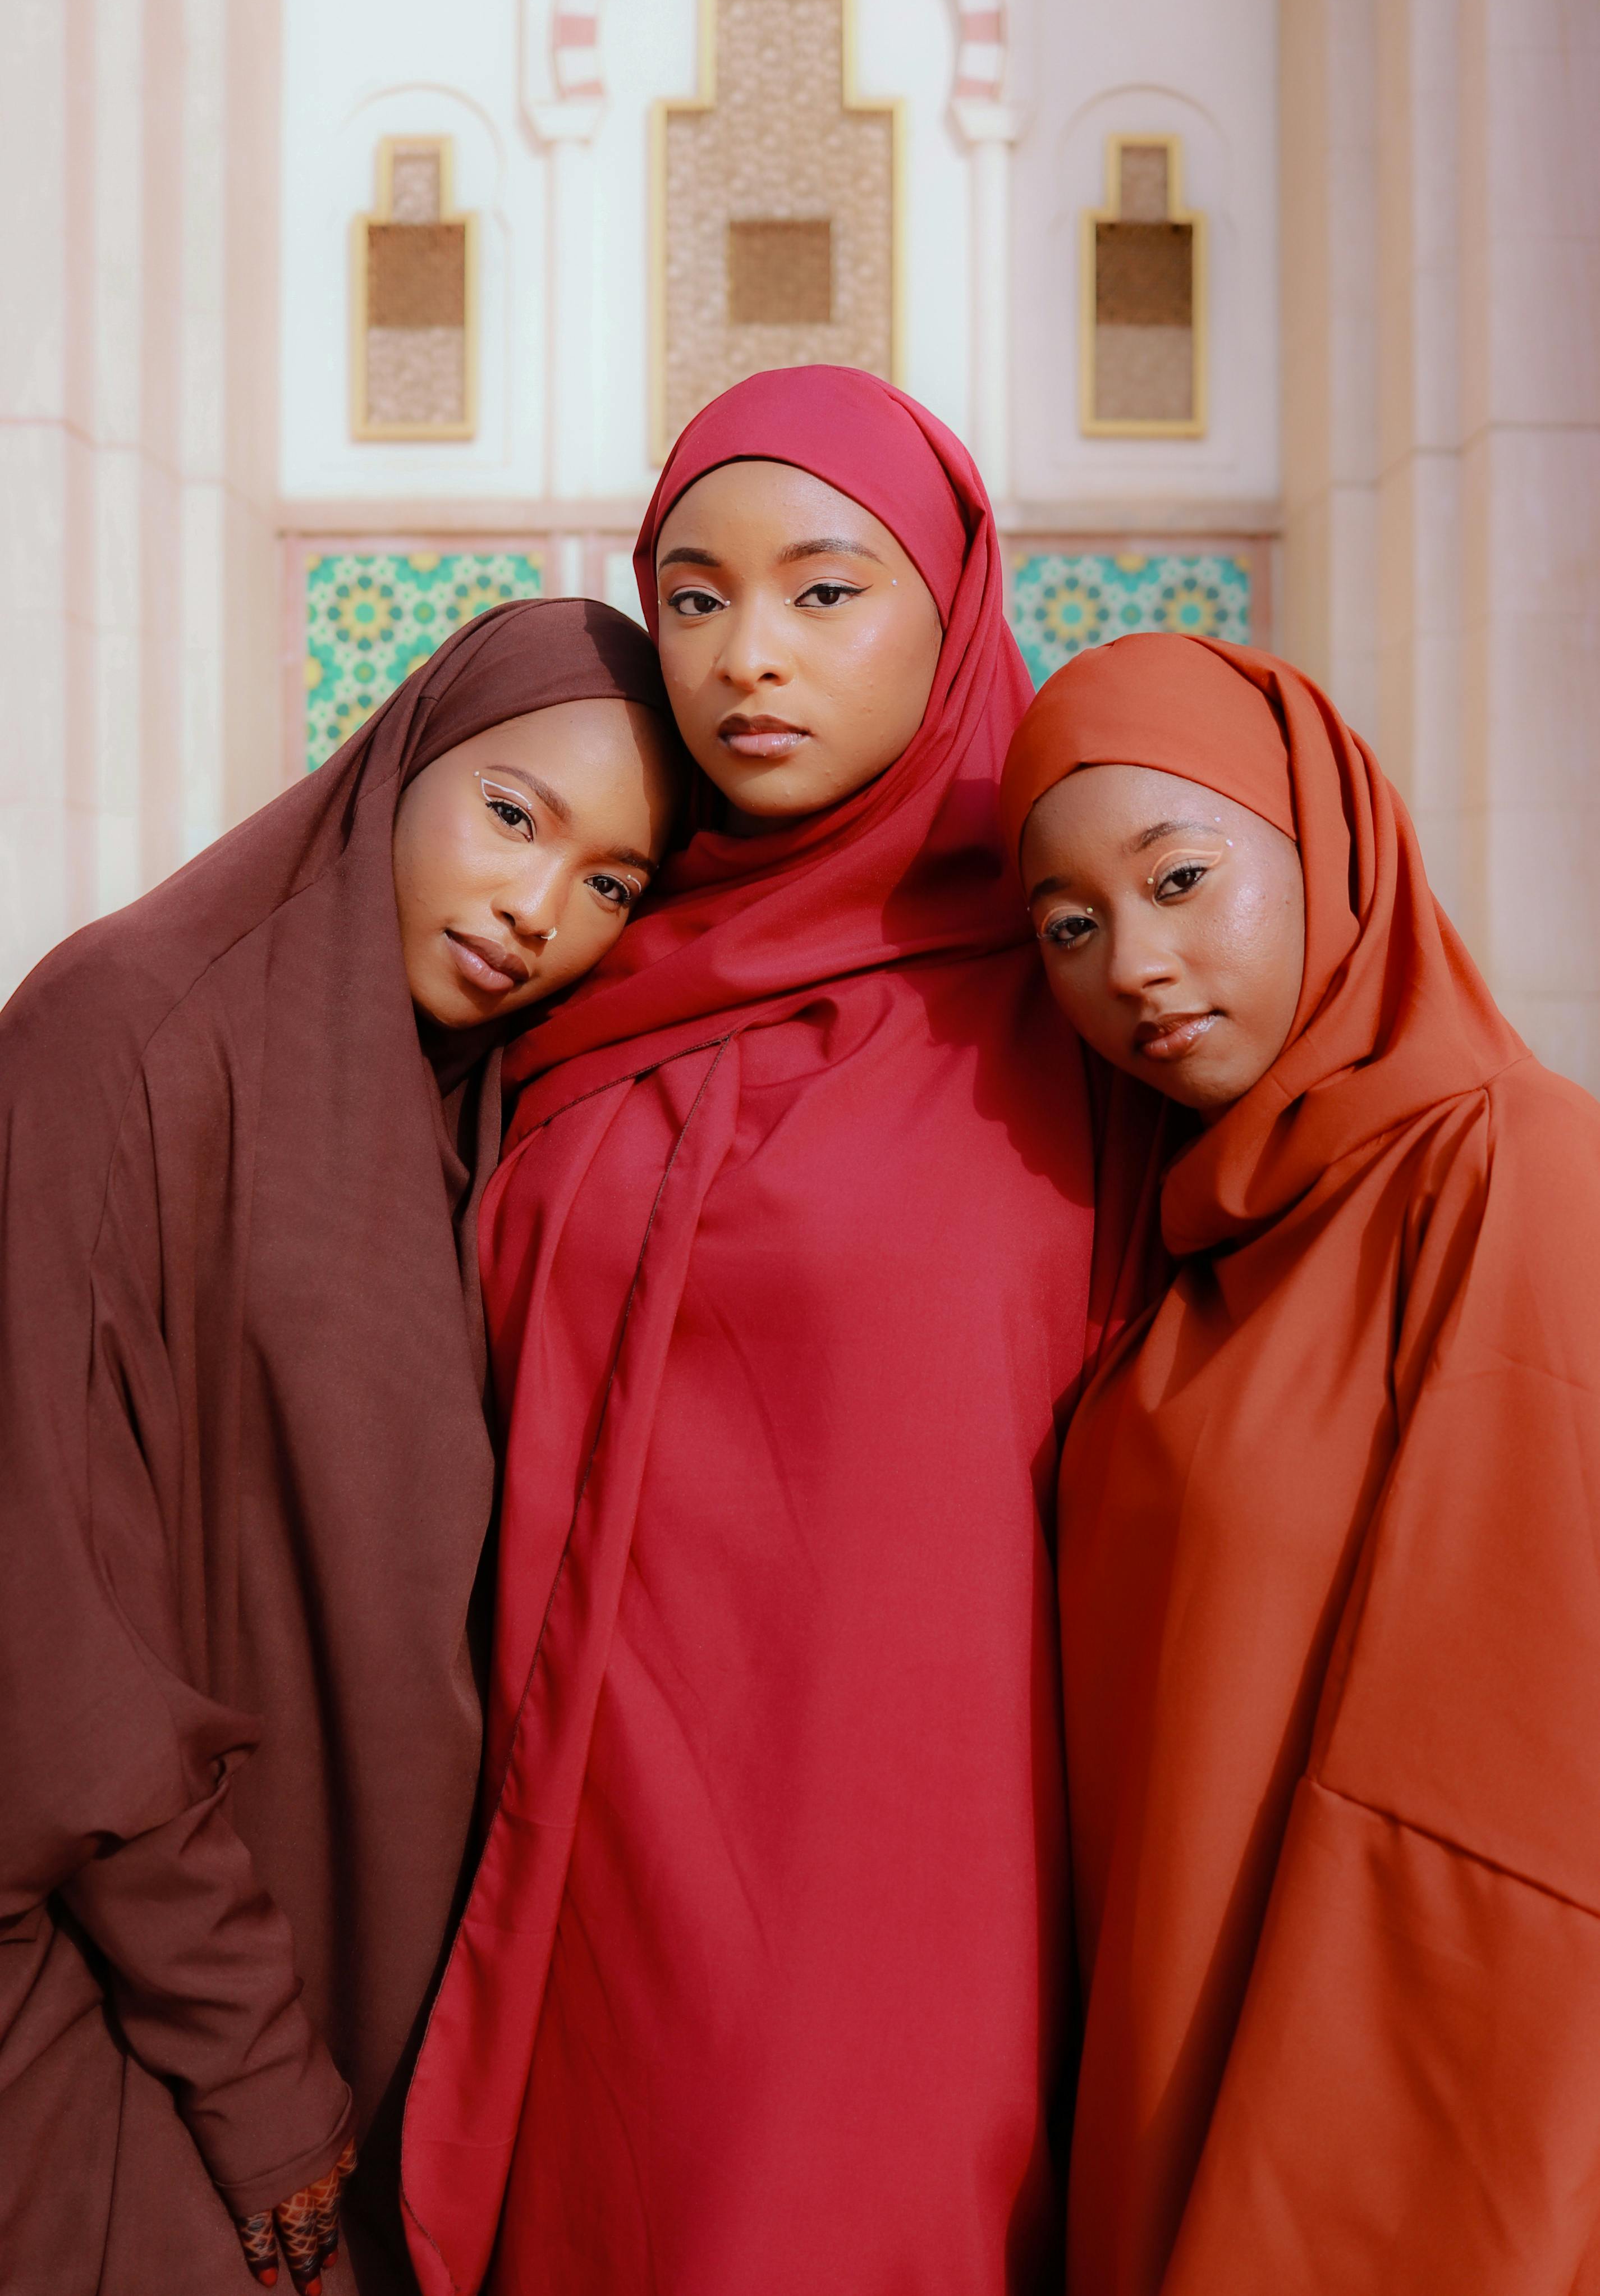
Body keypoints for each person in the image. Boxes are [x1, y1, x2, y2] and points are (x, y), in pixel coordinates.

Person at [401, 367, 1157, 2296]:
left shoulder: (1068, 988)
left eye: (827, 593)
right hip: (572, 1847)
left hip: (910, 1892)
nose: (750, 659)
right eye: (695, 594)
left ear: (953, 599)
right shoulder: (587, 947)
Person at [0, 600, 681, 2296]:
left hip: (343, 2032)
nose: (538, 909)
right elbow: (56, 1632)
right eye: (514, 816)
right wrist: (255, 2075)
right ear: (397, 766)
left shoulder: (481, 1103)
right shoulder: (125, 1028)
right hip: (124, 2025)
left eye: (611, 883)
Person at [998, 629, 1600, 2293]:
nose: (1134, 962)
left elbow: (1513, 1821)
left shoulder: (1507, 1173)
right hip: (1155, 2090)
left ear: (1329, 849)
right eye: (1068, 926)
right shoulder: (1176, 1249)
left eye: (1181, 877)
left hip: (1372, 2167)